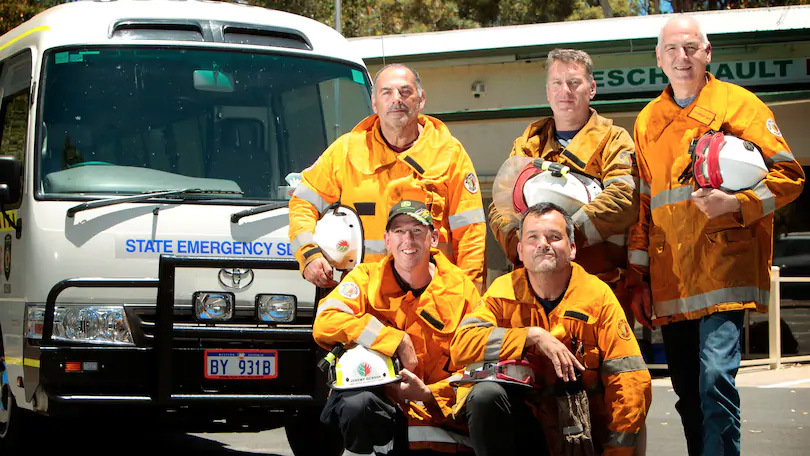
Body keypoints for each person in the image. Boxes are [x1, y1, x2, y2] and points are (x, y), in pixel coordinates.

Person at [627, 15, 806, 456]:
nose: (681, 57)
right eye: (672, 50)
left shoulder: (741, 105)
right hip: (671, 279)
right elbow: (643, 205)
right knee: (689, 393)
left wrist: (736, 203)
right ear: (658, 59)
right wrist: (638, 277)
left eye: (691, 48)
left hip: (724, 272)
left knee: (715, 381)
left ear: (708, 53)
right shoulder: (648, 121)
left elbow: (789, 176)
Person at [451, 203, 651, 456]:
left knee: (635, 410)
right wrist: (531, 336)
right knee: (484, 396)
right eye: (532, 238)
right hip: (528, 432)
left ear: (573, 248)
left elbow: (631, 380)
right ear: (520, 251)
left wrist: (616, 451)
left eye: (554, 237)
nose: (543, 244)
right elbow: (462, 345)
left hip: (585, 435)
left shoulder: (598, 297)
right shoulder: (502, 293)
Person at [289, 64, 486, 291]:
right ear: (374, 103)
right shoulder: (346, 152)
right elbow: (303, 203)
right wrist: (308, 255)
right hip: (366, 296)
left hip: (432, 297)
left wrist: (469, 297)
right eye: (387, 92)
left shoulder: (449, 154)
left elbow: (471, 234)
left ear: (421, 100)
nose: (396, 100)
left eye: (405, 92)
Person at [314, 200, 480, 454]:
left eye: (417, 231)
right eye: (399, 231)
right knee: (355, 404)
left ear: (433, 238)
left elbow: (476, 366)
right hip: (381, 413)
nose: (408, 240)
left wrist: (427, 393)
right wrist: (392, 339)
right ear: (387, 240)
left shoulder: (462, 289)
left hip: (441, 419)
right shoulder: (365, 278)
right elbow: (325, 321)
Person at [488, 48, 638, 321]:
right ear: (547, 91)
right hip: (533, 294)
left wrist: (566, 237)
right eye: (557, 83)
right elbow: (500, 205)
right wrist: (521, 245)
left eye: (574, 83)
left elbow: (623, 197)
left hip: (599, 288)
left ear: (591, 88)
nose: (564, 91)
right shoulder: (527, 144)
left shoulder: (614, 140)